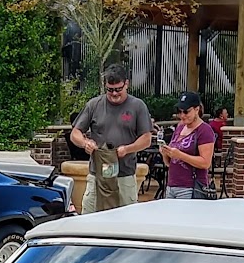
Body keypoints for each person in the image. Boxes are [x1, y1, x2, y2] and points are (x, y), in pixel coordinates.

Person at [67, 65, 154, 212]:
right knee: (89, 217)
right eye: (110, 89)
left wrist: (128, 149)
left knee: (126, 218)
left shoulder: (138, 106)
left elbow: (146, 139)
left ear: (126, 84)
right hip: (97, 175)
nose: (114, 94)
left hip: (124, 175)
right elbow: (75, 133)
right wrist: (85, 143)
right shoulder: (94, 104)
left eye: (118, 89)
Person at [159, 93, 217, 198]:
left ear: (197, 109)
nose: (182, 115)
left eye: (186, 112)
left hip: (190, 187)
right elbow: (169, 163)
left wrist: (180, 155)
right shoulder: (180, 127)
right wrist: (165, 153)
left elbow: (205, 163)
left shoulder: (205, 130)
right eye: (179, 111)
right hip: (172, 185)